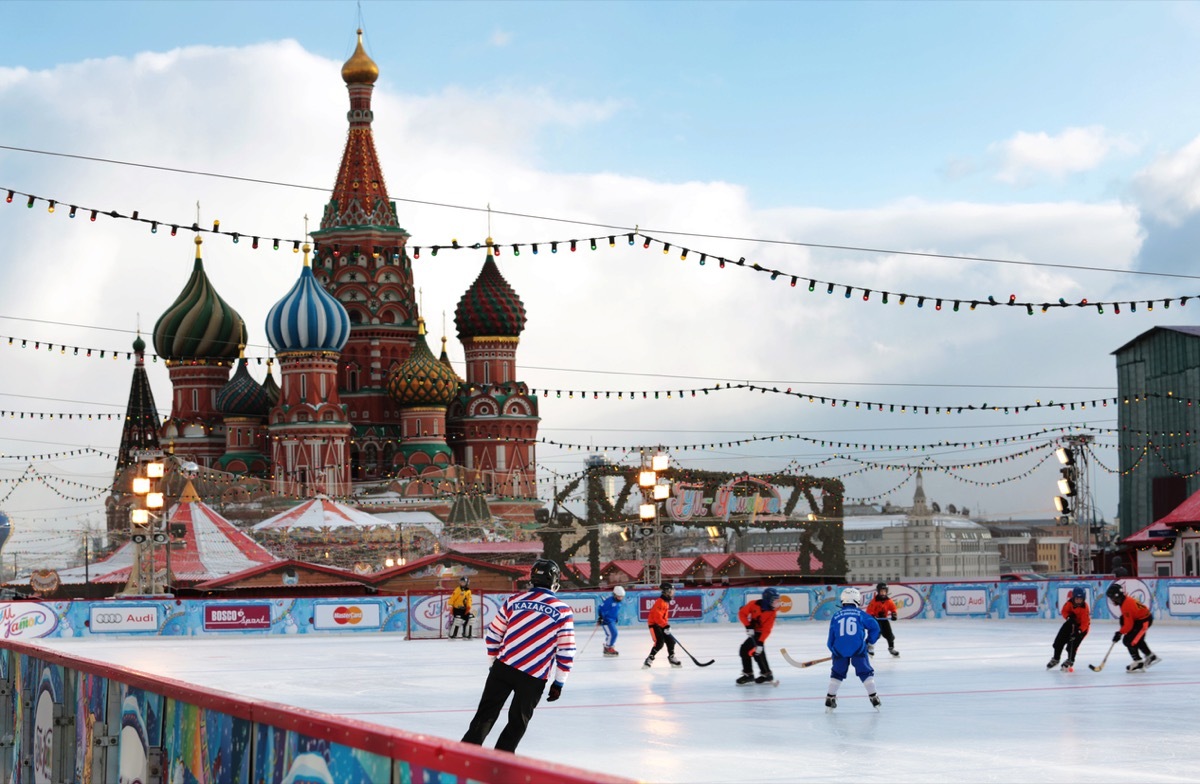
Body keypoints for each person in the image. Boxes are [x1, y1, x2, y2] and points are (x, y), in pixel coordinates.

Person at [461, 559, 576, 753]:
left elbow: (494, 635)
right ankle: (501, 762)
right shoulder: (563, 610)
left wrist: (493, 663)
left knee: (485, 715)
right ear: (554, 580)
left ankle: (463, 757)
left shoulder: (513, 601)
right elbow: (566, 650)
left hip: (503, 667)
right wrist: (559, 683)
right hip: (533, 676)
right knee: (517, 722)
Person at [825, 587, 881, 711]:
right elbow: (875, 627)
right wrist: (869, 642)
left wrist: (834, 651)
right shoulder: (860, 614)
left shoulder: (836, 616)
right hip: (858, 649)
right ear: (857, 599)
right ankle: (874, 696)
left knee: (837, 674)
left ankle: (830, 698)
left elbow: (830, 639)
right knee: (865, 672)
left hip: (839, 649)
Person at [1106, 582, 1158, 672]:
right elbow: (1126, 621)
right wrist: (1121, 631)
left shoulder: (1126, 604)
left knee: (1129, 641)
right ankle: (1150, 656)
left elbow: (1129, 625)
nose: (1112, 600)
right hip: (1140, 620)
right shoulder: (1124, 601)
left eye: (1112, 597)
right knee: (1137, 640)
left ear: (1116, 596)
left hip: (1143, 622)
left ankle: (1138, 661)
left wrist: (1120, 633)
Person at [737, 586, 781, 685]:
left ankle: (749, 675)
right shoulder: (753, 604)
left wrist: (760, 642)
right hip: (753, 631)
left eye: (778, 600)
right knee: (756, 653)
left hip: (760, 634)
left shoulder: (772, 612)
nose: (777, 603)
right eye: (775, 600)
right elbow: (742, 613)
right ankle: (766, 674)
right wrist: (748, 626)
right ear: (767, 600)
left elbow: (767, 629)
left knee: (745, 650)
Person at [1047, 586, 1090, 670]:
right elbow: (1064, 611)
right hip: (1070, 623)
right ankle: (1056, 658)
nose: (1078, 601)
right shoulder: (1069, 603)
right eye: (1077, 598)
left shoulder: (1085, 608)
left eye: (1080, 599)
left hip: (1082, 628)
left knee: (1072, 644)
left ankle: (1070, 660)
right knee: (1058, 641)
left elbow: (1085, 623)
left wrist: (1078, 631)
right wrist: (1069, 617)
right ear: (1073, 597)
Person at [643, 581, 682, 668]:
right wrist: (665, 626)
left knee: (671, 641)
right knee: (659, 643)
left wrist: (665, 625)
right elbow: (657, 618)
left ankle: (672, 658)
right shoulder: (660, 602)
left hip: (661, 624)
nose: (673, 593)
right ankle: (649, 659)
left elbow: (663, 617)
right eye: (671, 591)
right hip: (654, 624)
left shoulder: (665, 602)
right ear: (667, 591)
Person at [865, 582, 900, 657]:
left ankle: (891, 648)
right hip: (876, 620)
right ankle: (869, 647)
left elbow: (893, 608)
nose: (883, 593)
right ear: (878, 592)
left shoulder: (888, 600)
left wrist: (894, 614)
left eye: (884, 591)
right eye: (881, 592)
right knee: (876, 634)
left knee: (889, 634)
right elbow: (869, 610)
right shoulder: (874, 601)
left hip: (884, 620)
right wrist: (873, 616)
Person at [597, 585, 626, 656]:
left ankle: (608, 646)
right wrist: (600, 617)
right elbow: (601, 608)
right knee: (613, 634)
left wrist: (616, 618)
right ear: (614, 595)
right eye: (619, 597)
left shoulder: (619, 602)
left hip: (612, 620)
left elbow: (614, 611)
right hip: (606, 621)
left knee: (612, 634)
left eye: (621, 597)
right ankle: (608, 647)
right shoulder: (609, 601)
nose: (620, 598)